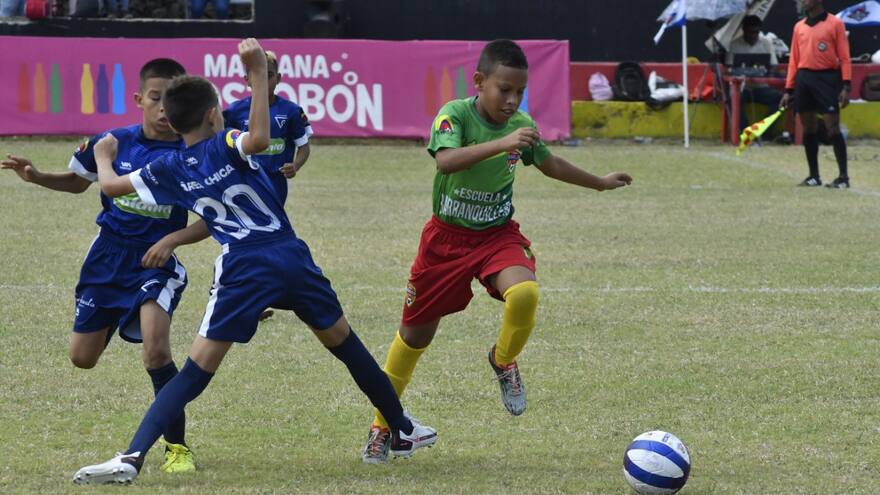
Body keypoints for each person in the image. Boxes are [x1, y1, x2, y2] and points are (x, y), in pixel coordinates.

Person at [72, 38, 437, 486]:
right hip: (289, 256)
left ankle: (130, 456)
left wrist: (105, 157)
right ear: (213, 115)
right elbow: (260, 138)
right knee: (346, 344)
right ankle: (401, 426)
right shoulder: (226, 143)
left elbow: (109, 188)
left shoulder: (167, 167)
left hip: (242, 267)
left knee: (194, 371)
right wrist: (258, 73)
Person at [361, 39, 632, 463]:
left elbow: (548, 163)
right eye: (504, 89)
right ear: (480, 82)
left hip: (496, 235)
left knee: (524, 293)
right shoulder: (454, 114)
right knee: (414, 337)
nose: (512, 100)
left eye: (519, 92)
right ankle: (383, 426)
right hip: (445, 242)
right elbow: (446, 162)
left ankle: (503, 361)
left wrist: (599, 182)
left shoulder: (522, 124)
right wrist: (503, 143)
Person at [0, 59, 198, 473]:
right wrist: (37, 176)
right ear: (139, 99)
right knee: (82, 357)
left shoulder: (191, 151)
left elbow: (214, 213)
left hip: (154, 261)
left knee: (156, 352)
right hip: (107, 259)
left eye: (172, 101)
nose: (164, 110)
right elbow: (78, 181)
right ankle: (116, 314)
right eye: (157, 99)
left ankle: (177, 448)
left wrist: (171, 240)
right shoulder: (112, 143)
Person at [224, 50, 312, 205]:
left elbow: (304, 147)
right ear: (247, 80)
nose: (263, 81)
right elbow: (223, 147)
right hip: (242, 182)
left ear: (278, 78)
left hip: (275, 184)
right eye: (257, 76)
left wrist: (295, 165)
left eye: (268, 75)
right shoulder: (233, 112)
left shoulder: (291, 111)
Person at [781, 0, 852, 189]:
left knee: (832, 128)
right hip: (804, 79)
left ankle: (843, 177)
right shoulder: (799, 27)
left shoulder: (835, 23)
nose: (803, 1)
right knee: (809, 127)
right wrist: (789, 89)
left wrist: (846, 85)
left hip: (826, 78)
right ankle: (814, 176)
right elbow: (794, 60)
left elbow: (844, 57)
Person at [726, 15, 787, 140]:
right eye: (750, 32)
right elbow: (729, 68)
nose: (753, 35)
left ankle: (765, 132)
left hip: (760, 87)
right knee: (733, 100)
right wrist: (742, 73)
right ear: (744, 30)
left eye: (756, 32)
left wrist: (764, 72)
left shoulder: (766, 43)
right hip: (741, 88)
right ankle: (747, 134)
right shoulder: (734, 44)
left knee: (782, 100)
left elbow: (773, 66)